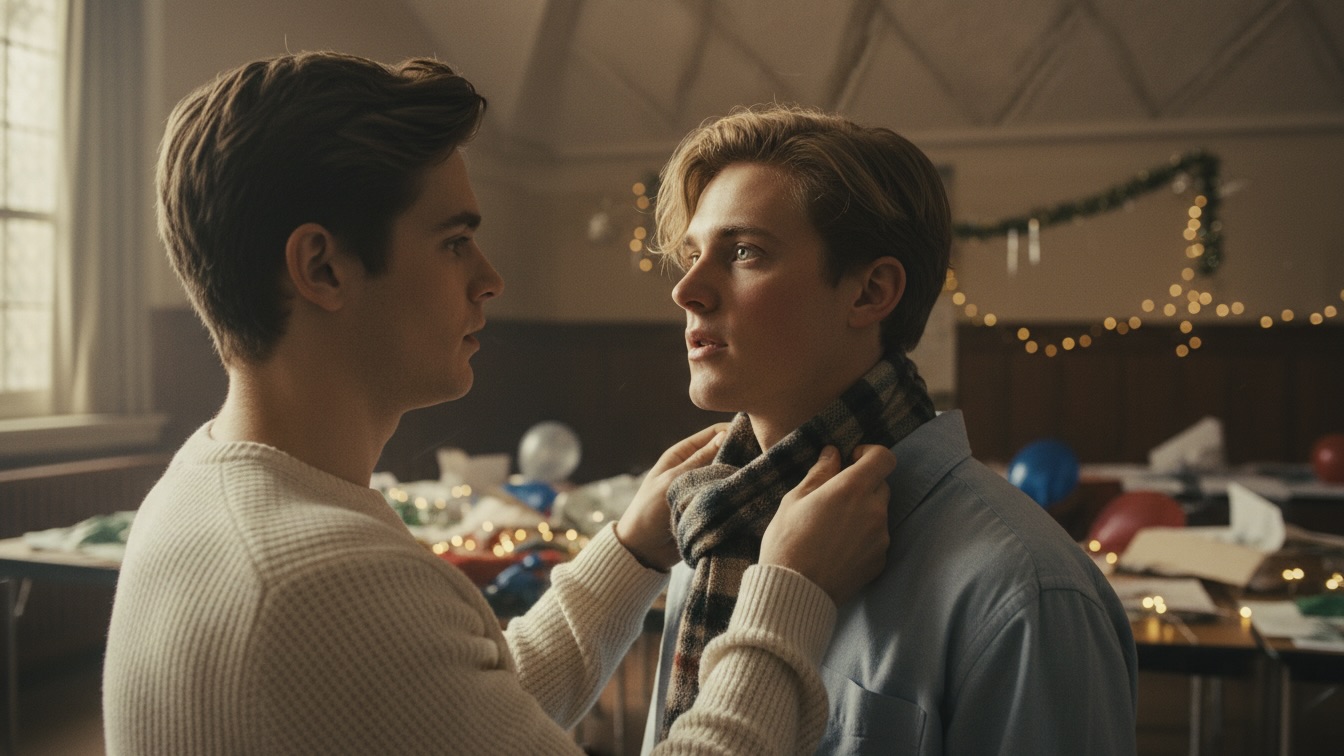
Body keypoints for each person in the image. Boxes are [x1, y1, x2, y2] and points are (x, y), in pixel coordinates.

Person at [102, 53, 900, 755]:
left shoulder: (200, 487)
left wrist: (630, 553)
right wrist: (789, 597)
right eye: (454, 241)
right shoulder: (324, 580)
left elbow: (461, 715)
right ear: (322, 268)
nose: (490, 279)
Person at [640, 105, 1138, 754]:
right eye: (692, 254)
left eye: (743, 252)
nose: (687, 290)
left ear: (871, 292)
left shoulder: (1025, 592)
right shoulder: (711, 530)